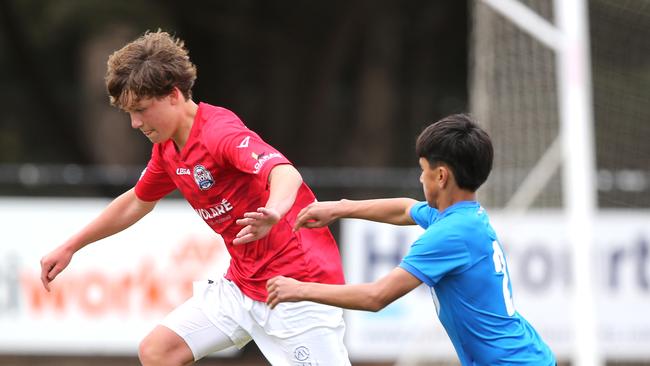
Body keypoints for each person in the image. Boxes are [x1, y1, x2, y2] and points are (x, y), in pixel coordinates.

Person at [40, 30, 350, 366]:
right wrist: (72, 245)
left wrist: (274, 212)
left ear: (173, 95)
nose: (134, 123)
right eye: (129, 113)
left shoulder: (219, 133)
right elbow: (135, 202)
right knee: (158, 350)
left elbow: (285, 173)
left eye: (141, 110)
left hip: (297, 287)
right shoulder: (167, 148)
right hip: (243, 285)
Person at [266, 114, 556, 365]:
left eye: (423, 170)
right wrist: (340, 208)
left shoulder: (450, 235)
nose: (420, 179)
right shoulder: (458, 217)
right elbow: (405, 208)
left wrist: (298, 289)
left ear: (441, 176)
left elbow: (376, 297)